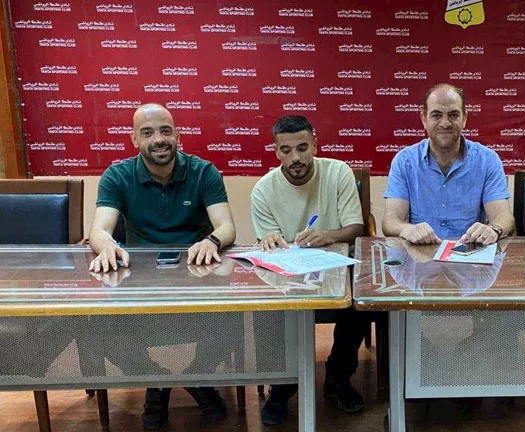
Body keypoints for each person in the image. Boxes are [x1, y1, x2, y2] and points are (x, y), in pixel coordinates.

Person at [88, 103, 236, 429]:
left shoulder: (203, 171)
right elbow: (99, 230)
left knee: (232, 322)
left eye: (166, 130)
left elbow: (226, 227)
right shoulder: (117, 176)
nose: (159, 139)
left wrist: (211, 241)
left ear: (177, 135)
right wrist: (107, 245)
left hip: (198, 276)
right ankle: (159, 383)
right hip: (139, 281)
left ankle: (195, 378)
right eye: (148, 132)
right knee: (103, 333)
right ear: (134, 140)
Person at [250, 115, 365, 425]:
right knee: (266, 310)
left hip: (336, 266)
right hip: (287, 273)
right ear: (276, 151)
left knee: (357, 305)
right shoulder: (263, 190)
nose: (295, 158)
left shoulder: (338, 172)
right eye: (286, 150)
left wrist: (327, 235)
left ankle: (338, 376)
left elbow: (356, 227)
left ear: (315, 145)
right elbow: (267, 241)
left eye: (302, 148)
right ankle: (283, 384)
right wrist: (269, 240)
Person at [382, 83, 515, 244]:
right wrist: (406, 229)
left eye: (453, 115)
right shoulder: (404, 161)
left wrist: (494, 229)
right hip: (419, 254)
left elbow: (504, 217)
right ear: (424, 119)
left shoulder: (487, 160)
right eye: (436, 115)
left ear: (464, 119)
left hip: (470, 252)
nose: (445, 123)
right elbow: (390, 221)